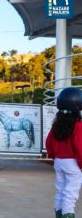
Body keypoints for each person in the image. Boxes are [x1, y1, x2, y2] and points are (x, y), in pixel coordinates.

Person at [46, 87, 82, 218]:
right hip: (73, 164)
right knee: (70, 195)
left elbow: (48, 142)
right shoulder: (78, 125)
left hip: (59, 163)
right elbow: (80, 147)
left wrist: (53, 156)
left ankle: (59, 215)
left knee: (60, 191)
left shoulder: (56, 124)